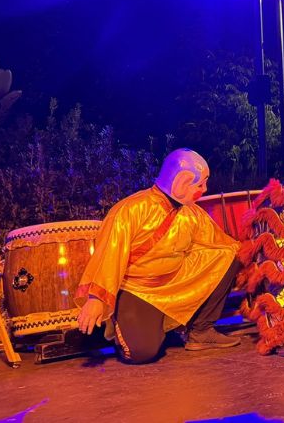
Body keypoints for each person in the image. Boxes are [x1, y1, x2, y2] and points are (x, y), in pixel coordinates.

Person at [75, 148, 245, 363]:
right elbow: (109, 255)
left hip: (175, 283)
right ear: (181, 182)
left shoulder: (192, 213)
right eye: (200, 184)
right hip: (137, 291)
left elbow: (220, 244)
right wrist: (97, 298)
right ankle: (128, 321)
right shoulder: (130, 210)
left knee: (230, 254)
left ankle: (201, 331)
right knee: (142, 353)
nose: (204, 189)